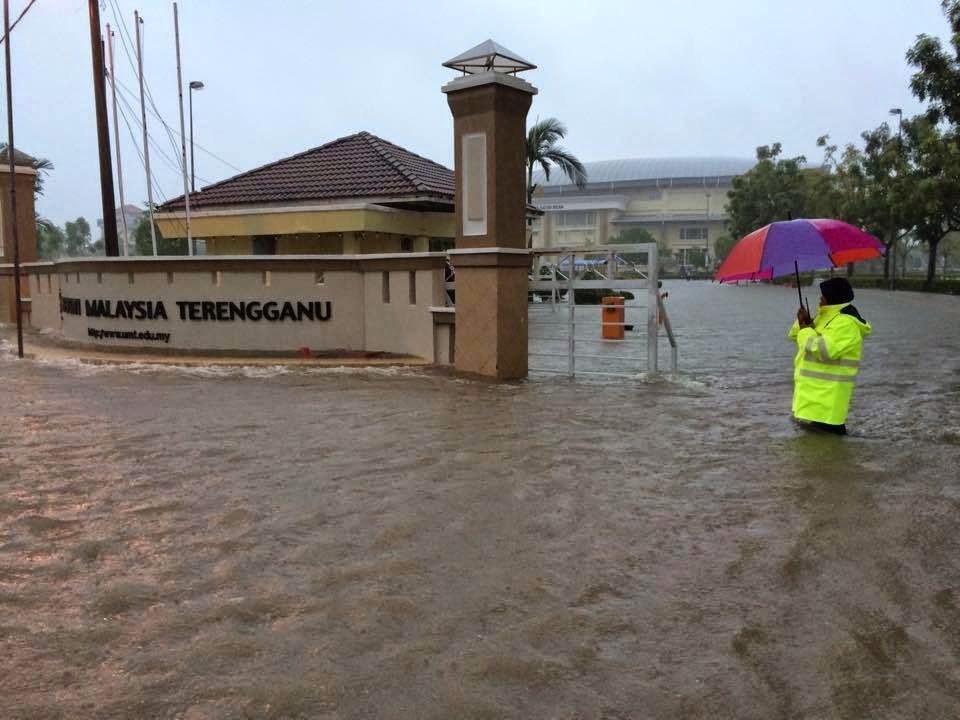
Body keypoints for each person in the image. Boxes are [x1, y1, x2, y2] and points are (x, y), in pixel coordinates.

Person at [788, 277, 872, 435]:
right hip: (813, 396)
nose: (820, 299)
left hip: (828, 400)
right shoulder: (826, 316)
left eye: (823, 296)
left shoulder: (846, 323)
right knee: (815, 454)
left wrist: (806, 330)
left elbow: (824, 350)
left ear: (833, 298)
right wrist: (803, 322)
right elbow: (796, 337)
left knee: (826, 448)